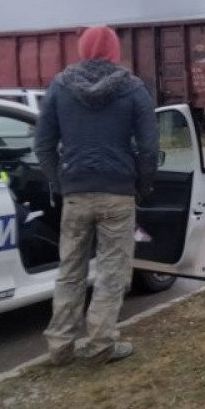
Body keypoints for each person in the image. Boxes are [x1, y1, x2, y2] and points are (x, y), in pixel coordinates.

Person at [35, 25, 159, 366]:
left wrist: (59, 182)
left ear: (83, 49)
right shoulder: (133, 89)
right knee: (111, 272)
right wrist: (142, 186)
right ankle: (100, 344)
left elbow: (42, 144)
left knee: (70, 270)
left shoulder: (59, 87)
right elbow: (149, 148)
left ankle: (60, 347)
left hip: (75, 192)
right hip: (117, 194)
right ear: (114, 52)